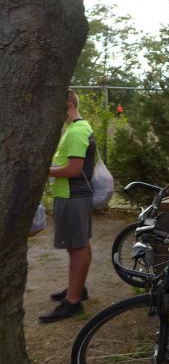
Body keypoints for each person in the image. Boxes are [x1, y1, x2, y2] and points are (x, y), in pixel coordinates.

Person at [39, 89, 97, 322]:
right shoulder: (79, 128)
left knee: (76, 248)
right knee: (81, 244)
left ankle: (73, 302)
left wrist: (43, 170)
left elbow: (73, 170)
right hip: (76, 195)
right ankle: (78, 289)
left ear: (69, 106)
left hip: (72, 195)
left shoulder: (75, 131)